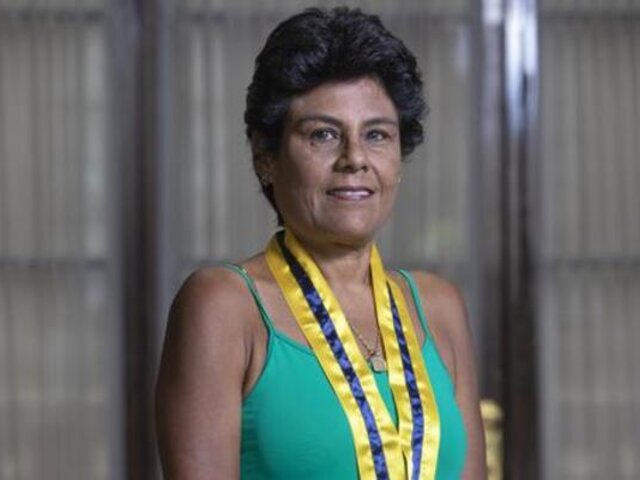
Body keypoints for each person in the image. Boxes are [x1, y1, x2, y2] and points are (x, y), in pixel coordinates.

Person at [156, 6, 486, 479]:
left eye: (377, 135)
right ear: (265, 156)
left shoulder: (438, 307)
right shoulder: (223, 306)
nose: (355, 158)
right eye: (324, 135)